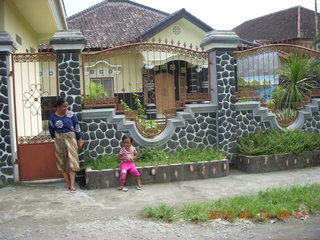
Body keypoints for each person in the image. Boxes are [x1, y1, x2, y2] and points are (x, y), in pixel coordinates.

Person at [48, 98, 83, 193]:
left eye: (67, 106)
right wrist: (56, 138)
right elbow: (51, 130)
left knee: (72, 161)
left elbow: (77, 127)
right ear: (58, 107)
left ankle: (72, 184)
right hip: (59, 140)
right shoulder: (52, 118)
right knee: (62, 161)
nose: (66, 108)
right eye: (64, 106)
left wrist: (79, 139)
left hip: (71, 138)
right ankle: (67, 183)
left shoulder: (71, 115)